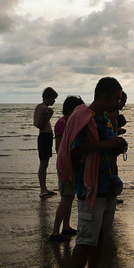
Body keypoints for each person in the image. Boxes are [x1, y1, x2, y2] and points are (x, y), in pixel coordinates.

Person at [56, 77, 127, 268]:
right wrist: (107, 144)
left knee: (100, 235)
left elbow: (102, 151)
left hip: (107, 185)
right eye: (116, 98)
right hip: (89, 188)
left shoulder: (104, 120)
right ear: (103, 96)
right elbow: (75, 150)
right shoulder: (82, 118)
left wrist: (117, 146)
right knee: (86, 237)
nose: (119, 103)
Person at [49, 95, 85, 243]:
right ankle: (55, 232)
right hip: (65, 165)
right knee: (65, 198)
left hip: (71, 165)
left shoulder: (70, 122)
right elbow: (58, 147)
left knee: (69, 197)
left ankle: (66, 227)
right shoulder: (61, 123)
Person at [33, 87, 58, 198]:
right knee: (43, 164)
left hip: (45, 137)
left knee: (45, 164)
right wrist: (49, 116)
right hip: (44, 136)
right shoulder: (44, 109)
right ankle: (43, 189)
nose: (54, 101)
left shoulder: (40, 107)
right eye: (53, 99)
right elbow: (40, 124)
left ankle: (44, 188)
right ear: (48, 98)